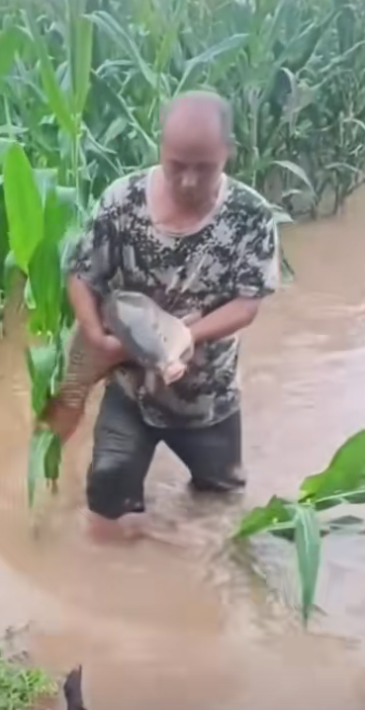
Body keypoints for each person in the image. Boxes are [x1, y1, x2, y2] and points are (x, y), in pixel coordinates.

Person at [65, 91, 280, 541]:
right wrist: (95, 338)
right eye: (177, 163)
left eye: (204, 167)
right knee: (107, 507)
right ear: (160, 147)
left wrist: (183, 336)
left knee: (221, 509)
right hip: (129, 392)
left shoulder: (251, 216)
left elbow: (247, 303)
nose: (187, 180)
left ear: (229, 154)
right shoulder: (122, 201)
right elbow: (81, 275)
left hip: (208, 397)